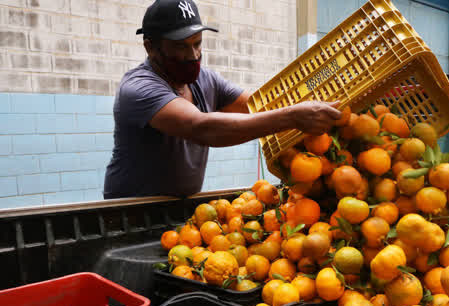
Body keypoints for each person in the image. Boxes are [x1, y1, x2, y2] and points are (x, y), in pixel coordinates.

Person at [103, 0, 341, 199]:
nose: (193, 55)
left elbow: (260, 105)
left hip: (180, 207)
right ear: (150, 48)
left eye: (197, 44)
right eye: (180, 47)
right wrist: (293, 116)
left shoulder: (206, 80)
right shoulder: (138, 88)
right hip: (130, 213)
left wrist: (322, 105)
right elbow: (203, 128)